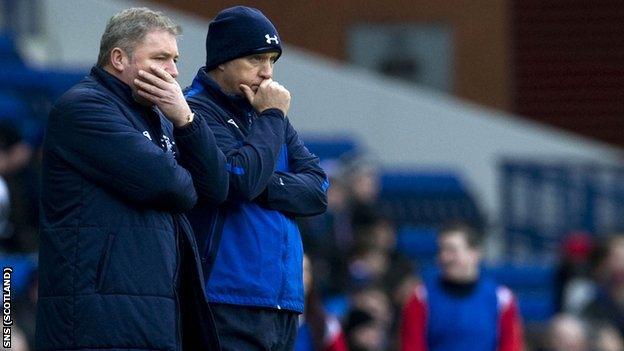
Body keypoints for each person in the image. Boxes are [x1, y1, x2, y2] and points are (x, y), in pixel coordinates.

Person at [36, 7, 228, 350]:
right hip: (97, 321)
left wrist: (186, 119)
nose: (172, 72)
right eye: (161, 58)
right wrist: (183, 174)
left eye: (175, 60)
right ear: (119, 58)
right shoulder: (83, 108)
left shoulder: (164, 115)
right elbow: (173, 186)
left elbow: (214, 186)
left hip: (153, 313)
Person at [185, 6, 328, 350]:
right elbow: (238, 181)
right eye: (255, 60)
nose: (267, 74)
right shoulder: (196, 112)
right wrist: (272, 118)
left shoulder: (267, 114)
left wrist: (260, 180)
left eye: (272, 61)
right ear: (222, 60)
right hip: (226, 296)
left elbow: (318, 189)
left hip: (283, 300)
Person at [399, 223, 524, 351]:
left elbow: (511, 346)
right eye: (441, 250)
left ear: (474, 254)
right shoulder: (420, 298)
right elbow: (412, 347)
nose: (444, 257)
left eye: (452, 250)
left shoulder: (502, 300)